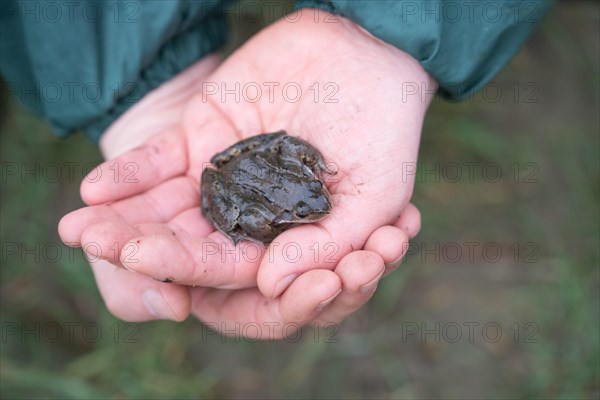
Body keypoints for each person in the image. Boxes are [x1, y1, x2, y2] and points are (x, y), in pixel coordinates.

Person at [1, 1, 554, 339]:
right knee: (236, 209)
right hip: (239, 189)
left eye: (315, 197)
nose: (320, 204)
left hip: (261, 168)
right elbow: (255, 191)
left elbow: (286, 141)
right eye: (309, 206)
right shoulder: (273, 213)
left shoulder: (304, 185)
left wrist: (379, 43)